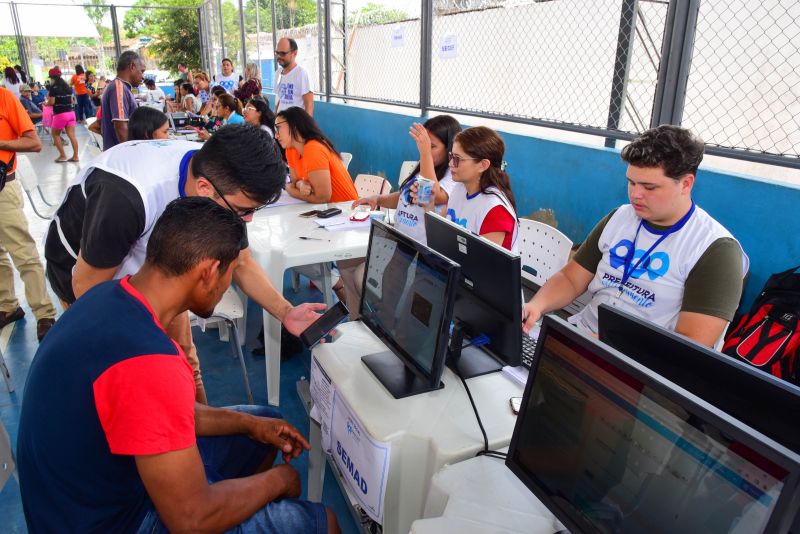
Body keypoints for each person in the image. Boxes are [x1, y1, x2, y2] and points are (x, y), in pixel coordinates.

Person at [20, 197, 340, 534]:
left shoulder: (111, 296)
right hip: (109, 521)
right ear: (210, 272)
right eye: (230, 275)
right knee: (323, 524)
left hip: (78, 495)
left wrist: (247, 424)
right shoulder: (148, 361)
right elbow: (191, 519)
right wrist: (279, 480)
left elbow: (165, 411)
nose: (226, 286)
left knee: (264, 426)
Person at [44, 125, 325, 404]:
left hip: (156, 266)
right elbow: (87, 289)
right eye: (244, 211)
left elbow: (242, 260)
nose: (247, 220)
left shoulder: (221, 180)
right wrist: (143, 339)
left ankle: (199, 433)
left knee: (184, 361)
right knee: (132, 374)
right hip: (84, 271)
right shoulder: (127, 196)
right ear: (204, 189)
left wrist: (286, 312)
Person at [522, 125, 749, 348]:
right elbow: (571, 279)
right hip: (582, 336)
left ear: (686, 184)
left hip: (639, 368)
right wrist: (536, 306)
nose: (635, 194)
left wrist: (612, 346)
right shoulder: (620, 217)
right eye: (631, 182)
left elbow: (690, 345)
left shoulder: (715, 249)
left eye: (649, 187)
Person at [340, 115, 462, 318]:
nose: (426, 150)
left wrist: (424, 153)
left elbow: (434, 194)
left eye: (432, 146)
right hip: (402, 240)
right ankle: (380, 324)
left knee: (412, 303)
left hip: (424, 250)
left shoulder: (451, 176)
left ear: (449, 149)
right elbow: (403, 197)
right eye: (424, 144)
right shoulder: (423, 169)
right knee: (388, 294)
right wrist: (377, 199)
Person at [0, 87, 57, 340]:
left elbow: (33, 143)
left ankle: (44, 313)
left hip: (3, 188)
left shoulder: (4, 98)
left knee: (22, 251)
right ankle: (7, 306)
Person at [444, 126, 519, 251]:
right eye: (451, 156)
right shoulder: (459, 188)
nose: (450, 163)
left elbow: (481, 264)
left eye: (457, 159)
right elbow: (441, 230)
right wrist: (427, 205)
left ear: (482, 165)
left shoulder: (495, 210)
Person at [275, 107, 357, 203]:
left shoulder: (314, 148)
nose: (276, 135)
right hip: (326, 210)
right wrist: (301, 184)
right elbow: (295, 182)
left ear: (294, 126)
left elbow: (322, 197)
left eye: (278, 128)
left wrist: (290, 190)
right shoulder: (291, 150)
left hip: (346, 211)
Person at [101, 50, 145, 150]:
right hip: (120, 157)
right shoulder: (118, 88)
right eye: (142, 71)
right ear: (132, 67)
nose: (143, 77)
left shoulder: (123, 88)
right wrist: (130, 153)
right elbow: (120, 126)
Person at [47, 67, 80, 163]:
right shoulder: (67, 86)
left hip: (60, 114)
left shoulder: (53, 88)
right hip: (71, 113)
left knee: (55, 134)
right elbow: (71, 100)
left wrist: (46, 103)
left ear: (52, 78)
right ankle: (76, 156)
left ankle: (62, 155)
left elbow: (52, 102)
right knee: (72, 135)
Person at [274, 38, 314, 116]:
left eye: (282, 53)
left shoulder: (302, 73)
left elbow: (309, 105)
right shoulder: (277, 73)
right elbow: (278, 100)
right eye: (277, 53)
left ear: (294, 53)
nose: (278, 56)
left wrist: (305, 127)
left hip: (296, 125)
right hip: (281, 124)